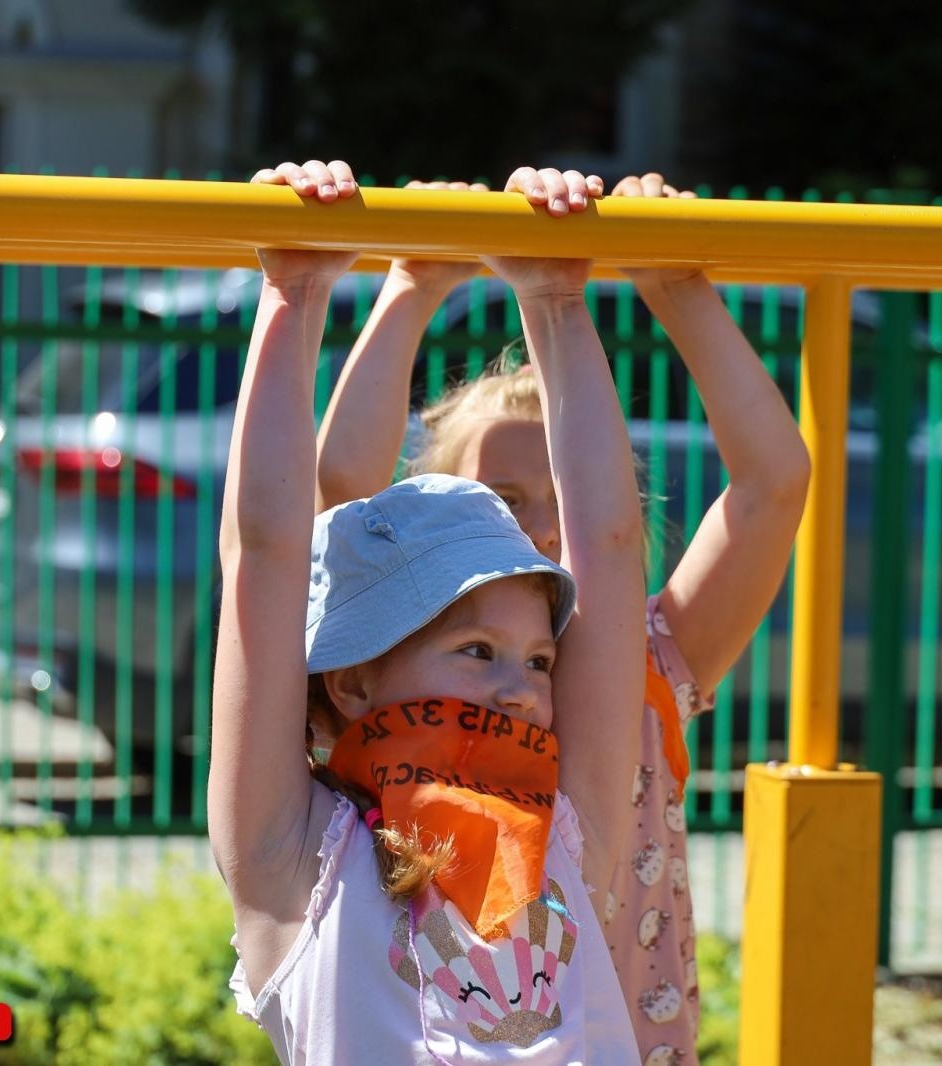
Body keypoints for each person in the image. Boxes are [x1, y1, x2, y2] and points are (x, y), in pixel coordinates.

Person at [315, 170, 811, 1063]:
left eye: (564, 495)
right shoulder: (398, 662)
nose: (547, 526)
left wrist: (675, 284)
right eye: (502, 498)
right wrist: (411, 285)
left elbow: (775, 486)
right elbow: (335, 499)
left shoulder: (656, 656)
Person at [211, 159, 645, 1064]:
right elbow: (264, 552)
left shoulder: (564, 832)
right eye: (478, 648)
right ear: (357, 678)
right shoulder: (299, 859)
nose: (521, 685)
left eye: (538, 660)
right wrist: (295, 290)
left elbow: (606, 549)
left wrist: (556, 303)